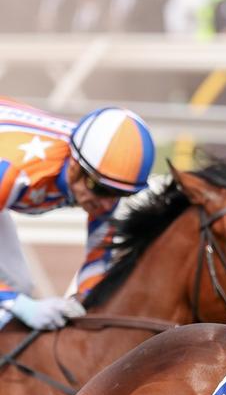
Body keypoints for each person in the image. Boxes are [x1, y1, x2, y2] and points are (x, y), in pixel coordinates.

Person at [0, 101, 155, 330]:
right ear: (74, 166)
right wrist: (15, 303)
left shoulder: (99, 177)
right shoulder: (14, 172)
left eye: (120, 194)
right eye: (101, 189)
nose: (107, 203)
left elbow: (97, 257)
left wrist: (83, 301)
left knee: (19, 283)